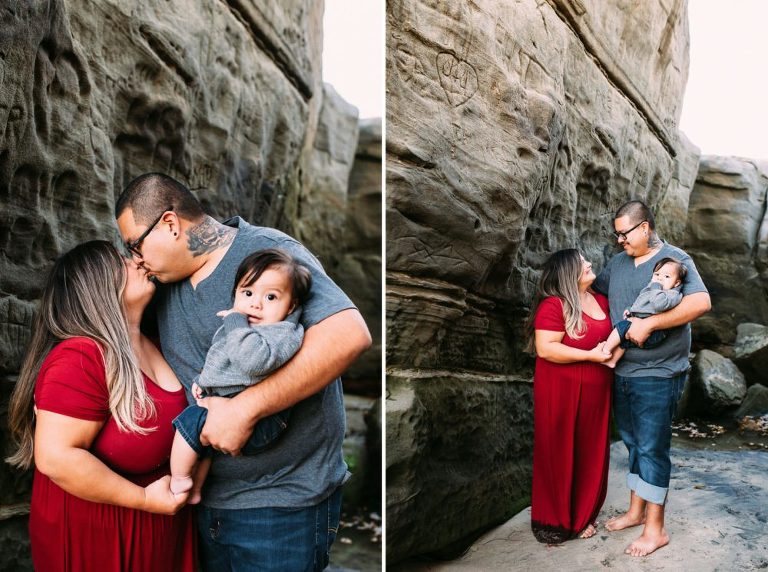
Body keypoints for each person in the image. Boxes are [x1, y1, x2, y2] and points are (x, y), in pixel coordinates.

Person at [115, 173, 372, 571]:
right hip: (204, 505)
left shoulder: (269, 255)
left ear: (169, 223)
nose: (136, 259)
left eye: (135, 244)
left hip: (282, 507)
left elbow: (348, 334)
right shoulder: (160, 285)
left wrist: (244, 410)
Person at [5, 241, 195, 571]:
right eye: (122, 261)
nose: (137, 261)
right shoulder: (81, 357)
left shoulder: (158, 341)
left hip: (159, 534)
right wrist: (144, 499)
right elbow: (57, 458)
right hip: (97, 540)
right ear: (99, 287)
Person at [593, 200, 710, 557]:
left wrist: (650, 323)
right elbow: (595, 296)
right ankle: (636, 511)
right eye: (617, 235)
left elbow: (700, 303)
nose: (619, 240)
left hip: (660, 372)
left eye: (624, 233)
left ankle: (655, 529)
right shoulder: (618, 264)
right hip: (623, 370)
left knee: (652, 448)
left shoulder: (675, 260)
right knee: (632, 443)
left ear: (644, 228)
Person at [170, 248, 311, 504]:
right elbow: (221, 359)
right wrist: (204, 383)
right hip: (234, 405)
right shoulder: (246, 328)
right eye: (247, 293)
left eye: (271, 297)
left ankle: (179, 478)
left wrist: (235, 321)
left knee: (190, 421)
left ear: (291, 306)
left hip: (263, 422)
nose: (255, 304)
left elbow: (252, 362)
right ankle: (196, 489)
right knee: (205, 440)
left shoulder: (282, 333)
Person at [527, 248, 614, 544]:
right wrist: (590, 355)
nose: (589, 263)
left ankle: (583, 514)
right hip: (560, 390)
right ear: (567, 273)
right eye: (581, 262)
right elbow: (546, 348)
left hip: (597, 392)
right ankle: (556, 521)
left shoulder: (601, 300)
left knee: (590, 451)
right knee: (559, 450)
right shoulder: (554, 305)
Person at [601, 257, 687, 369]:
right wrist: (631, 309)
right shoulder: (652, 289)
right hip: (644, 327)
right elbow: (642, 303)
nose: (660, 279)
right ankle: (612, 361)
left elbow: (658, 304)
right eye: (657, 274)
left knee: (621, 327)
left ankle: (605, 351)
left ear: (676, 283)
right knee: (624, 341)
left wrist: (656, 286)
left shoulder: (672, 295)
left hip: (654, 333)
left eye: (666, 276)